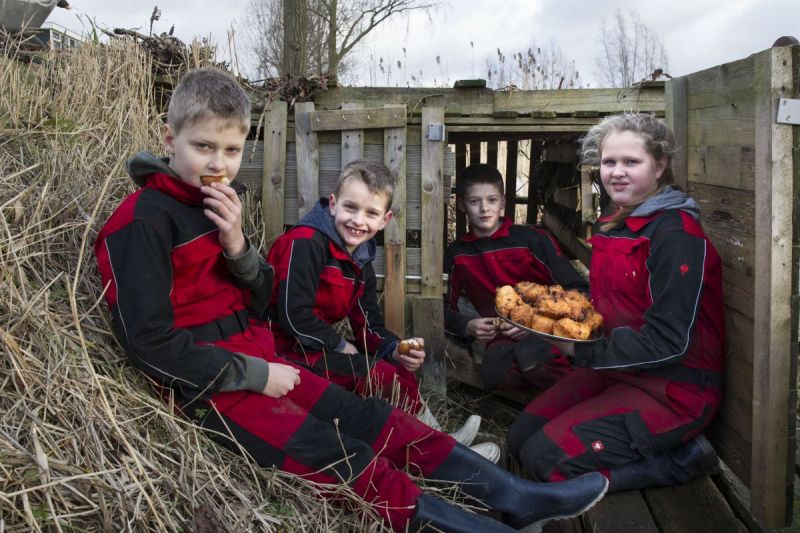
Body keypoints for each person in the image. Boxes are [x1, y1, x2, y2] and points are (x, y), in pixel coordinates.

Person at [94, 68, 609, 531]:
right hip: (216, 387)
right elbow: (149, 343)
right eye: (204, 147)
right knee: (346, 458)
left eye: (232, 150)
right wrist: (256, 374)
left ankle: (515, 495)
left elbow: (257, 301)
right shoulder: (141, 222)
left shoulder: (217, 209)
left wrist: (238, 249)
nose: (219, 165)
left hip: (266, 361)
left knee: (374, 418)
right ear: (170, 139)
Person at [506, 113, 724, 492]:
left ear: (660, 165)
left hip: (674, 389)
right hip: (619, 370)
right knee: (518, 437)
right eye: (609, 162)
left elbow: (670, 341)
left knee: (544, 459)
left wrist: (580, 350)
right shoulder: (618, 221)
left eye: (631, 162)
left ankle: (677, 462)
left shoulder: (675, 235)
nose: (617, 173)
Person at [267, 160, 493, 456]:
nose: (359, 221)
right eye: (351, 208)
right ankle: (442, 450)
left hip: (314, 346)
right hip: (279, 349)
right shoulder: (305, 242)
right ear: (333, 204)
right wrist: (340, 346)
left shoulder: (360, 260)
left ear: (384, 220)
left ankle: (438, 438)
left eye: (371, 213)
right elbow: (293, 315)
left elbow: (368, 326)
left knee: (396, 367)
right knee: (379, 376)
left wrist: (395, 348)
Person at [445, 163, 588, 392]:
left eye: (491, 200)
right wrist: (467, 326)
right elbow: (444, 308)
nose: (484, 208)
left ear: (502, 202)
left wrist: (533, 320)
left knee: (532, 357)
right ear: (461, 204)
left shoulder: (532, 240)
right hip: (501, 336)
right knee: (494, 374)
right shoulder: (458, 254)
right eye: (474, 201)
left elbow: (578, 289)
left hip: (548, 331)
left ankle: (579, 395)